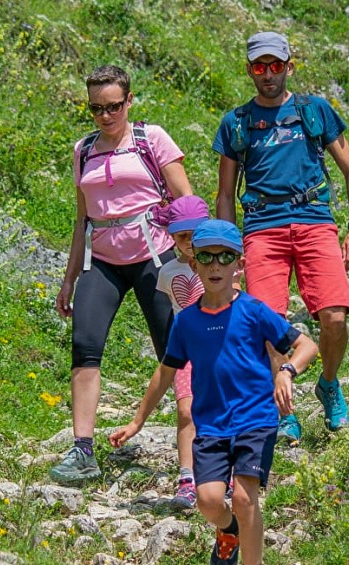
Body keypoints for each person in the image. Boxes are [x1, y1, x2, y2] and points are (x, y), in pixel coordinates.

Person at [109, 219, 318, 565]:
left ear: (240, 264)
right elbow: (165, 371)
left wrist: (286, 370)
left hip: (255, 420)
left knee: (244, 496)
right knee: (208, 500)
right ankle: (230, 529)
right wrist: (136, 422)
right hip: (212, 427)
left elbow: (306, 344)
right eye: (206, 258)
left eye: (225, 257)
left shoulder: (253, 311)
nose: (216, 265)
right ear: (193, 264)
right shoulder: (186, 321)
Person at [213, 31, 349, 443]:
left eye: (276, 66)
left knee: (334, 316)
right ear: (249, 70)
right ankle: (283, 411)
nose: (268, 74)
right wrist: (229, 254)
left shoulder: (315, 111)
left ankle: (329, 385)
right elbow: (225, 194)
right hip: (262, 228)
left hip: (316, 222)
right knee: (269, 324)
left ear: (289, 67)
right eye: (260, 67)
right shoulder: (237, 123)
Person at [51, 64, 193, 485]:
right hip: (104, 261)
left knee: (177, 350)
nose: (106, 116)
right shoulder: (83, 150)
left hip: (156, 254)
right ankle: (82, 449)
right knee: (85, 344)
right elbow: (82, 219)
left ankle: (198, 452)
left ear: (129, 101)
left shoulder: (153, 139)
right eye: (96, 109)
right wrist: (69, 277)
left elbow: (186, 201)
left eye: (114, 106)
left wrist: (200, 258)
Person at [154, 195, 211, 509]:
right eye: (182, 237)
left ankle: (223, 474)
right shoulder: (167, 273)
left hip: (219, 350)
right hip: (187, 351)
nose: (189, 243)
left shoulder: (222, 262)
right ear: (172, 238)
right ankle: (187, 478)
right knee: (186, 411)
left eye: (195, 234)